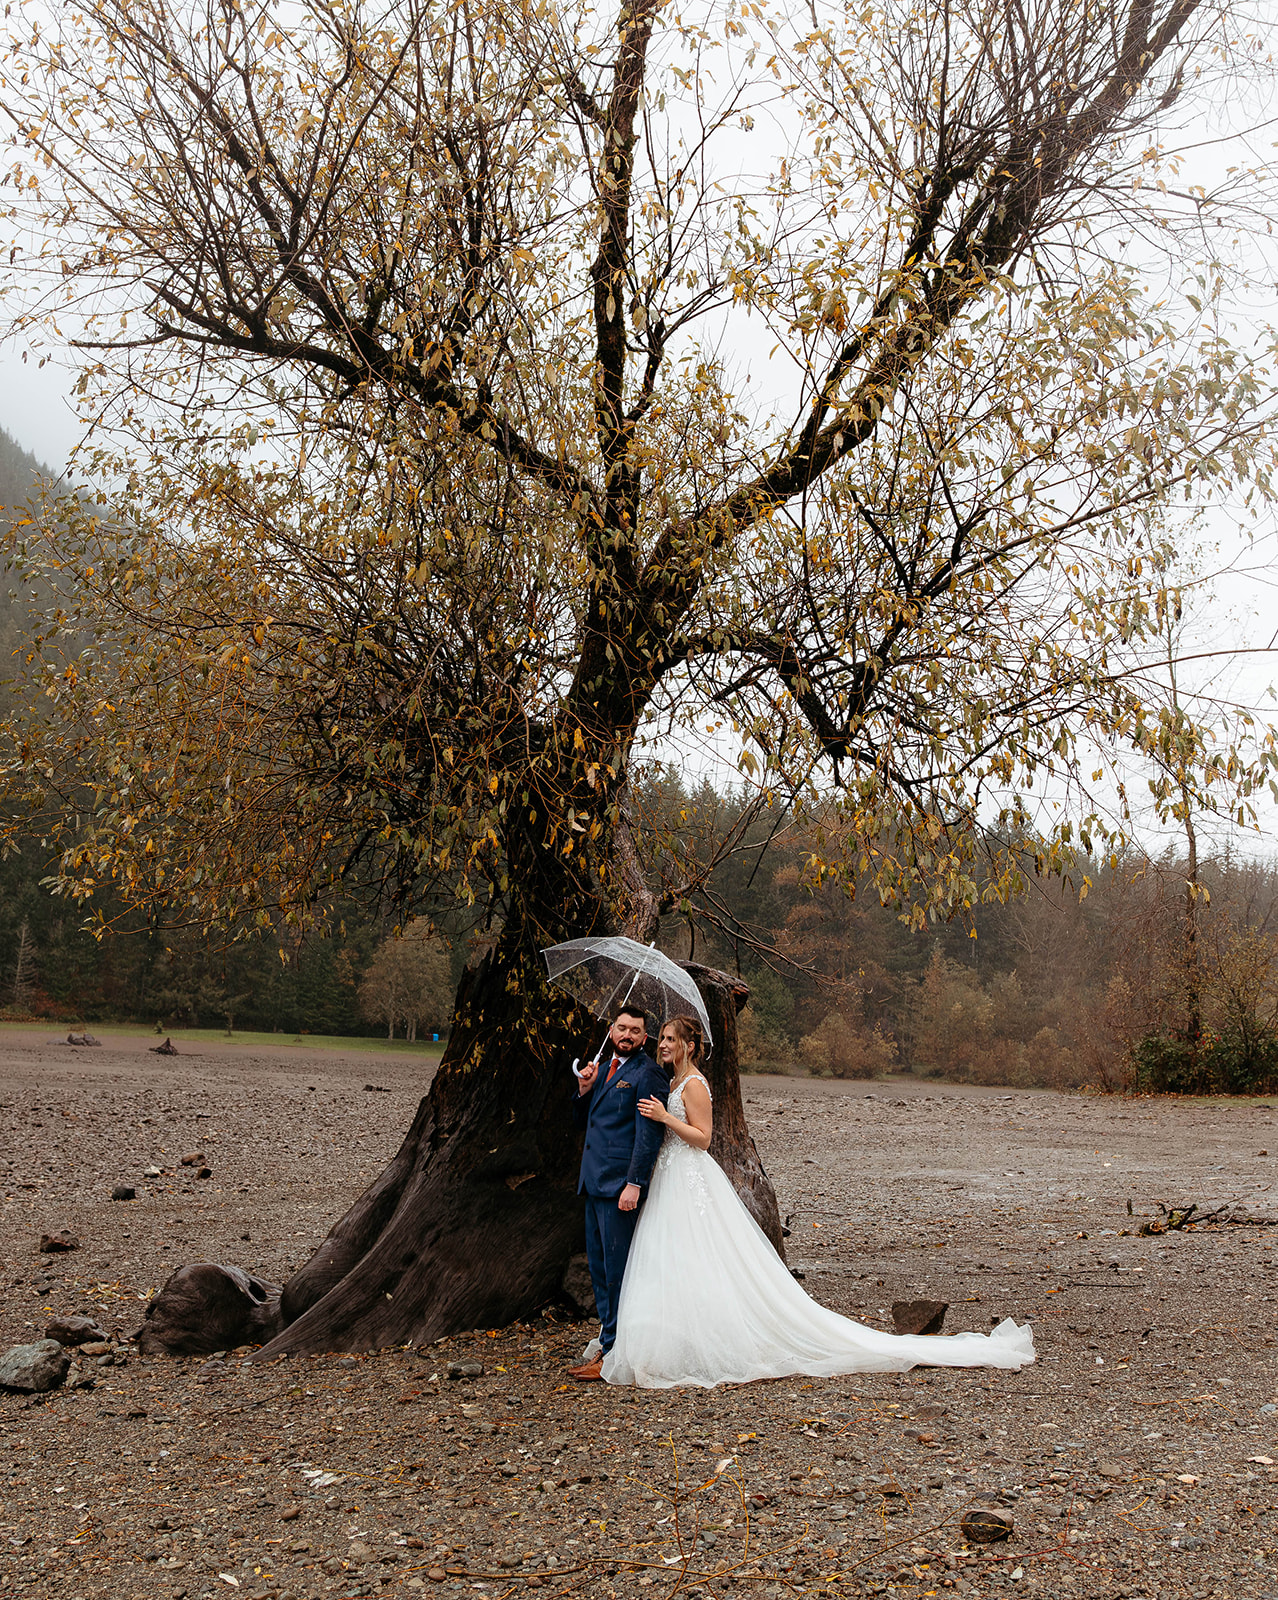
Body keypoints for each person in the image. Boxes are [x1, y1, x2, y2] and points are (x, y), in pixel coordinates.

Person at [602, 1014, 1036, 1389]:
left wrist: (663, 1117)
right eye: (660, 1038)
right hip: (669, 1179)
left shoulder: (693, 1084)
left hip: (691, 1176)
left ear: (690, 1045)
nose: (662, 1044)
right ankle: (677, 1337)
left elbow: (704, 1139)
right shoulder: (671, 1079)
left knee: (707, 1256)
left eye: (671, 1039)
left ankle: (714, 1339)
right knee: (675, 1258)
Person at [567, 1002, 670, 1381]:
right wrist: (584, 1089)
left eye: (635, 1031)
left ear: (645, 1037)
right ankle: (609, 1341)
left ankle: (614, 1353)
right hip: (592, 1183)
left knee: (618, 1273)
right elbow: (585, 1121)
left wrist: (634, 1183)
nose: (627, 1035)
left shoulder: (649, 1074)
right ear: (612, 1030)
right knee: (599, 1269)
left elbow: (649, 1136)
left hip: (619, 1188)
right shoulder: (603, 1069)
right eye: (622, 1028)